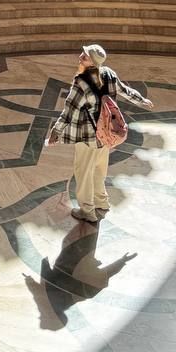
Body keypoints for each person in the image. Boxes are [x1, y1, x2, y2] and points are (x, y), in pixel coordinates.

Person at [46, 44, 153, 225]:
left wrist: (56, 130)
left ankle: (87, 211)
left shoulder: (82, 81)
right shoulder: (109, 74)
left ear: (93, 62)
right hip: (105, 134)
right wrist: (142, 100)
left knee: (83, 173)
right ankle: (102, 202)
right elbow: (125, 91)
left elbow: (69, 110)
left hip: (87, 136)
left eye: (85, 56)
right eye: (83, 53)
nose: (81, 56)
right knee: (98, 169)